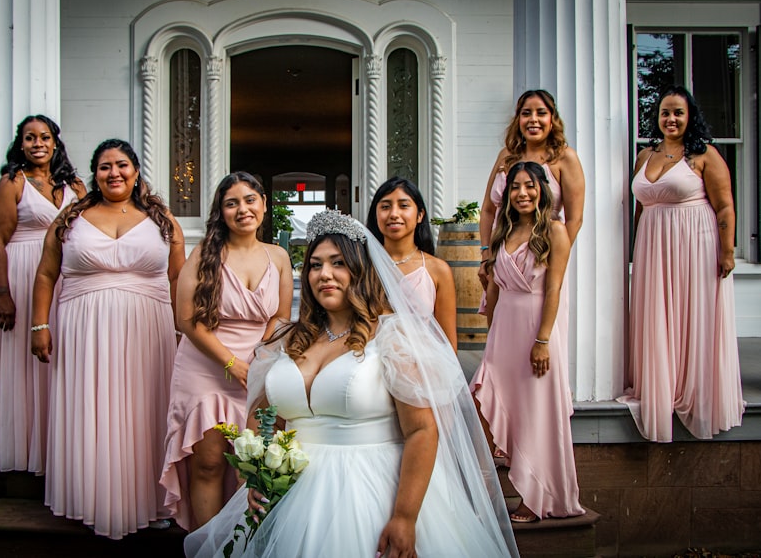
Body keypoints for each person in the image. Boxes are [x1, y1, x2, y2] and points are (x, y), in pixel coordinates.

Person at [185, 210, 519, 558]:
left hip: (371, 490)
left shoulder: (394, 338)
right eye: (315, 265)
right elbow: (262, 413)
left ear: (360, 270)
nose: (324, 274)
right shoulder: (286, 339)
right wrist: (253, 475)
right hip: (291, 496)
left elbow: (422, 431)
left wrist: (405, 517)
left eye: (338, 263)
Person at [31, 139, 185, 539]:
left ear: (136, 172)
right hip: (85, 330)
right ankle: (89, 498)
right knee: (90, 406)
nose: (113, 173)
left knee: (144, 409)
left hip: (148, 329)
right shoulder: (71, 218)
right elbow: (47, 274)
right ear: (94, 173)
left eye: (121, 165)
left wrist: (186, 331)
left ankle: (150, 499)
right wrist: (39, 325)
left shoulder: (163, 220)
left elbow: (178, 280)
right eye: (104, 167)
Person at [160, 173, 293, 531]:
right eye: (232, 203)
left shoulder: (279, 256)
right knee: (209, 462)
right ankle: (206, 545)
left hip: (258, 366)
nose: (243, 209)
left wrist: (260, 358)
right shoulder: (205, 253)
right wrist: (232, 363)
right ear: (221, 211)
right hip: (206, 366)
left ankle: (243, 544)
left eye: (250, 200)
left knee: (249, 465)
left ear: (264, 204)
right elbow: (186, 319)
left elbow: (281, 315)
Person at [617, 86, 744, 442]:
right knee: (657, 314)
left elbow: (725, 206)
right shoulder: (645, 156)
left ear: (690, 117)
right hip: (654, 247)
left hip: (695, 244)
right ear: (656, 118)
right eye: (665, 113)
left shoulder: (704, 155)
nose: (671, 119)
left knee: (693, 314)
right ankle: (661, 385)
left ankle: (695, 388)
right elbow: (640, 207)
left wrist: (728, 251)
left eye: (678, 113)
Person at [0, 115, 85, 474]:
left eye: (45, 137)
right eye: (29, 138)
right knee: (23, 365)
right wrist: (4, 293)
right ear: (20, 144)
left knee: (59, 361)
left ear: (56, 142)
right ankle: (22, 451)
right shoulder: (13, 183)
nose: (38, 143)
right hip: (22, 276)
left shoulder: (76, 186)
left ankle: (56, 446)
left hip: (64, 280)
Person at [473, 161, 583, 524]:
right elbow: (497, 290)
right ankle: (488, 490)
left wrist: (543, 340)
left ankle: (536, 498)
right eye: (515, 187)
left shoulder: (555, 231)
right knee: (489, 401)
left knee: (536, 413)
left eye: (530, 186)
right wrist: (491, 336)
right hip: (503, 332)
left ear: (542, 190)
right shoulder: (503, 233)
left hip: (535, 330)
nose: (522, 193)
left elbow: (554, 289)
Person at [477, 89, 585, 311]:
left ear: (552, 119)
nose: (533, 120)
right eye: (526, 113)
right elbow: (488, 210)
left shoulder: (565, 158)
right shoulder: (507, 155)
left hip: (539, 260)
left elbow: (575, 219)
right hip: (502, 255)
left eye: (541, 113)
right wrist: (486, 254)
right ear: (518, 119)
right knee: (500, 322)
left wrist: (552, 257)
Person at [365, 176, 457, 350]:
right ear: (375, 215)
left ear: (420, 215)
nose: (393, 214)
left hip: (419, 366)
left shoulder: (437, 269)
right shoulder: (361, 264)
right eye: (385, 207)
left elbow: (448, 343)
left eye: (404, 205)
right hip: (367, 364)